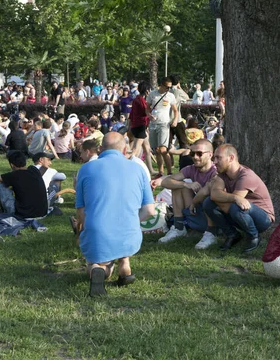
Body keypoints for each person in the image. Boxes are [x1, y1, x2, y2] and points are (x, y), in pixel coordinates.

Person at [76, 132, 156, 296]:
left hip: (98, 232)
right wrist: (132, 221)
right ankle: (124, 263)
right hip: (129, 235)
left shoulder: (85, 169)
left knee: (95, 261)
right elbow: (149, 210)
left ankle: (97, 269)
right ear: (125, 149)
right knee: (122, 240)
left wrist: (86, 227)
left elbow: (81, 210)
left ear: (99, 149)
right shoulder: (138, 169)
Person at [204, 144, 275, 252]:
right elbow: (214, 195)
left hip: (262, 218)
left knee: (235, 206)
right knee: (208, 203)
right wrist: (235, 198)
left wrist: (234, 199)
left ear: (231, 158)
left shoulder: (246, 175)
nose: (214, 161)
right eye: (214, 158)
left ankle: (254, 236)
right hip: (240, 214)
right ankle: (232, 235)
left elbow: (233, 202)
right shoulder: (222, 174)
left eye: (218, 157)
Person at [153, 139, 218, 249]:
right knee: (177, 186)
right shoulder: (191, 169)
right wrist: (186, 185)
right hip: (196, 211)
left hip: (213, 215)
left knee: (208, 198)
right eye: (192, 153)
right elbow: (166, 182)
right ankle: (179, 227)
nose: (195, 157)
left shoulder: (215, 171)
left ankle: (211, 233)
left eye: (199, 153)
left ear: (210, 155)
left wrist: (195, 199)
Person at [0, 151, 47, 218]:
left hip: (23, 214)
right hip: (42, 212)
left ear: (12, 165)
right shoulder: (34, 169)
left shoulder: (14, 175)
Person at [147, 77, 178, 176]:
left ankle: (169, 172)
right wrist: (149, 115)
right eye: (167, 87)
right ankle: (160, 172)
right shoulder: (152, 94)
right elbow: (147, 108)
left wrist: (175, 120)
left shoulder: (170, 96)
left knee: (163, 149)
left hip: (164, 123)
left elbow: (175, 110)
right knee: (156, 150)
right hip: (153, 124)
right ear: (161, 85)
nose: (168, 89)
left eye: (170, 87)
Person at [129, 81, 155, 174]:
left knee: (147, 149)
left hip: (139, 126)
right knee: (136, 149)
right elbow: (146, 111)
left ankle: (151, 170)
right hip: (140, 126)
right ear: (147, 90)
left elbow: (132, 114)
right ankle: (127, 166)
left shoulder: (137, 99)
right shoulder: (141, 100)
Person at [169, 74, 190, 149]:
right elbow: (187, 97)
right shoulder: (178, 91)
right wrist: (180, 87)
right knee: (183, 141)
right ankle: (183, 158)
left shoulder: (167, 91)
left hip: (167, 119)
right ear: (178, 82)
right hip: (177, 119)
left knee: (168, 142)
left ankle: (169, 159)